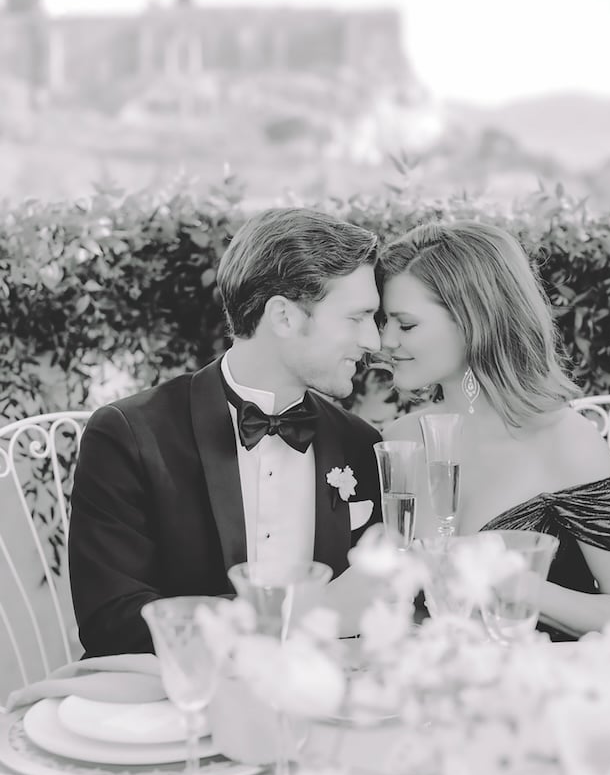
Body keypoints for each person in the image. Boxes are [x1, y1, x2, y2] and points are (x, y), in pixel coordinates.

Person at [69, 208, 383, 657]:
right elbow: (112, 622)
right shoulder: (128, 436)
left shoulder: (361, 444)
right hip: (173, 710)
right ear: (284, 317)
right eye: (357, 318)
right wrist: (303, 615)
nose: (372, 340)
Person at [378, 220, 610, 640]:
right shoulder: (397, 439)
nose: (385, 341)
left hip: (539, 690)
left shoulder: (566, 441)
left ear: (474, 320)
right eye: (383, 321)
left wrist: (519, 587)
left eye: (406, 325)